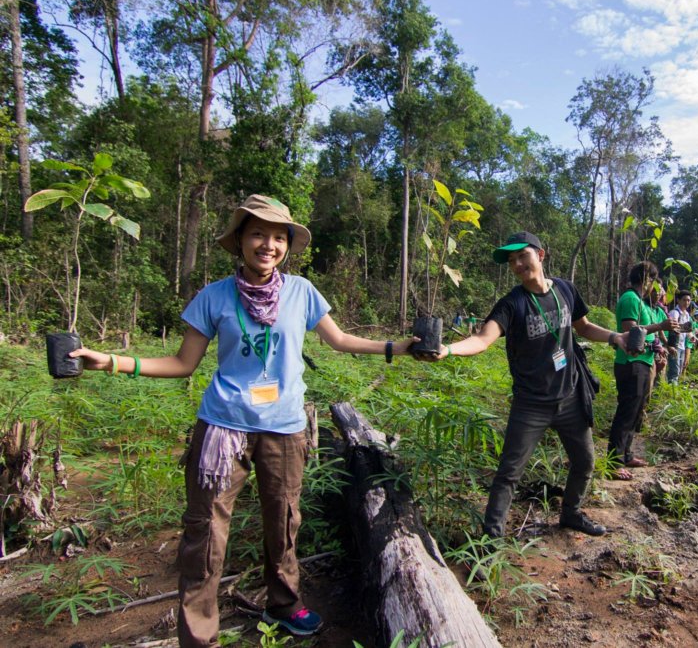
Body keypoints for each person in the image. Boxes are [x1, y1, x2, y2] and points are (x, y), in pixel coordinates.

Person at [69, 195, 417, 647]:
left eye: (278, 237)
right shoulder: (214, 296)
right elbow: (182, 363)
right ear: (239, 241)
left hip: (285, 428)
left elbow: (340, 340)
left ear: (287, 245)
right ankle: (200, 636)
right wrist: (113, 361)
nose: (268, 245)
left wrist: (397, 348)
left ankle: (284, 604)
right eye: (257, 234)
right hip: (222, 429)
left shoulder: (302, 292)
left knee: (284, 520)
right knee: (205, 532)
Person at [418, 231, 626, 539]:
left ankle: (571, 514)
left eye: (522, 256)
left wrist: (615, 337)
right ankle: (491, 538)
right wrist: (447, 349)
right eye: (512, 260)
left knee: (585, 463)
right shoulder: (511, 304)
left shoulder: (565, 290)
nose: (517, 264)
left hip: (570, 396)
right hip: (531, 404)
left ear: (540, 255)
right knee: (509, 473)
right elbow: (482, 339)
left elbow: (583, 327)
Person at [608, 261, 679, 480]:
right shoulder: (630, 299)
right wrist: (660, 327)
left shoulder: (644, 303)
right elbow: (630, 331)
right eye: (654, 281)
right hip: (631, 362)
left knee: (637, 411)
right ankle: (613, 462)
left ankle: (627, 454)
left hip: (645, 362)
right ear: (647, 279)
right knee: (627, 411)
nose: (657, 287)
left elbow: (652, 332)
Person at [665, 291, 692, 384]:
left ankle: (673, 388)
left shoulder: (687, 314)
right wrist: (686, 329)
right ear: (678, 300)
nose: (686, 302)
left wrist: (692, 337)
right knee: (674, 371)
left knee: (679, 370)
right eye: (684, 300)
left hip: (682, 345)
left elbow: (687, 331)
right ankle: (671, 389)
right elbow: (674, 327)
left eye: (688, 300)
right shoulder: (674, 313)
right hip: (674, 345)